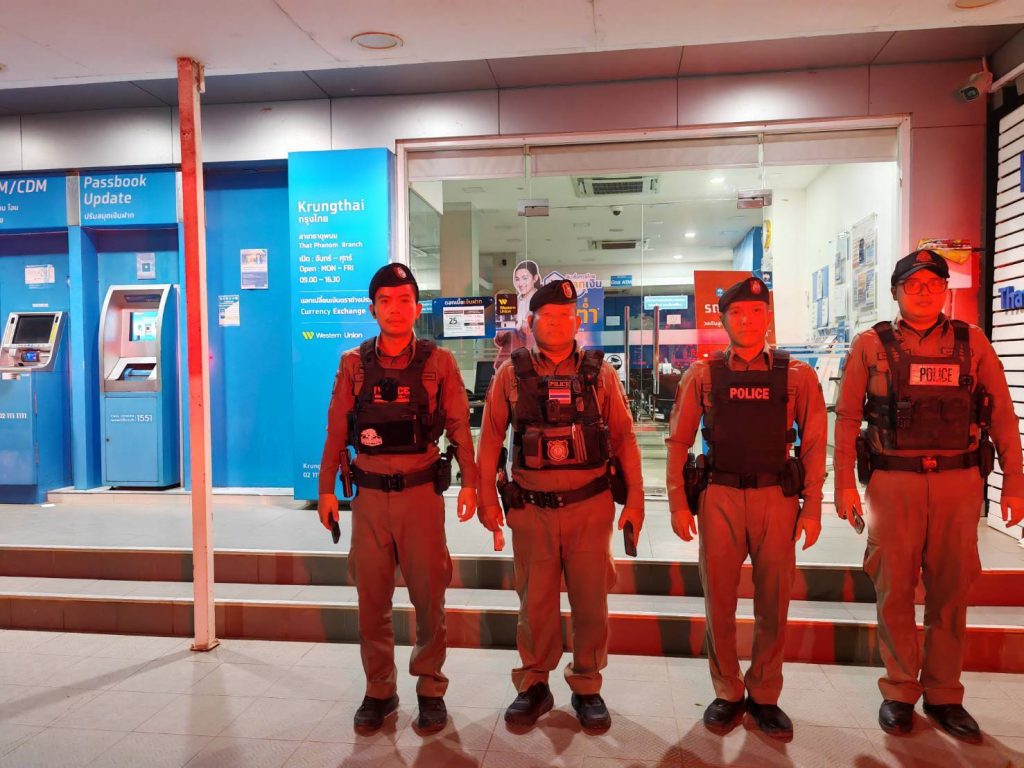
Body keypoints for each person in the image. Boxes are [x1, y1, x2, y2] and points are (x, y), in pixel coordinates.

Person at [834, 249, 1024, 742]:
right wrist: (842, 484)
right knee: (894, 588)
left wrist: (1015, 481)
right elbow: (848, 418)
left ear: (945, 290)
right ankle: (899, 691)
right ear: (896, 291)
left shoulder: (972, 342)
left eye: (933, 284)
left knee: (951, 590)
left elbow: (1002, 414)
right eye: (913, 284)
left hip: (959, 484)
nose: (923, 292)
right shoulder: (870, 345)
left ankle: (943, 694)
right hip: (892, 483)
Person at [476, 278, 644, 732]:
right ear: (532, 322)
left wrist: (636, 501)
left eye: (565, 316)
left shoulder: (600, 373)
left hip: (590, 508)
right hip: (531, 509)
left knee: (591, 602)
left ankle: (587, 684)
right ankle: (534, 684)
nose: (557, 323)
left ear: (576, 322)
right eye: (547, 316)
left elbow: (624, 438)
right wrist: (486, 498)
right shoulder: (511, 374)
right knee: (535, 603)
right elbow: (490, 439)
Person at [317, 263, 479, 735]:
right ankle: (379, 690)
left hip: (420, 497)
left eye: (404, 300)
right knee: (372, 599)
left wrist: (470, 483)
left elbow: (458, 427)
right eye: (385, 301)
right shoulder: (353, 363)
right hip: (369, 499)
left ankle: (430, 689)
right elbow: (335, 429)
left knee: (429, 598)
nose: (395, 309)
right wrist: (326, 489)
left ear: (417, 307)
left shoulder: (439, 363)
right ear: (373, 309)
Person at [665, 275, 827, 741]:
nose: (748, 320)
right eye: (737, 312)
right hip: (718, 496)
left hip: (777, 499)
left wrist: (812, 507)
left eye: (756, 312)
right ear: (724, 320)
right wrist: (678, 504)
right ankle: (727, 691)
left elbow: (814, 444)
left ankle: (765, 694)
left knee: (774, 601)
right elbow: (678, 442)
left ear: (767, 317)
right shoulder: (703, 375)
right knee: (718, 600)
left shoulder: (797, 376)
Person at [493, 260, 542, 369]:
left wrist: (528, 328)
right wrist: (501, 333)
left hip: (533, 364)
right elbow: (500, 341)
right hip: (508, 365)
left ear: (535, 278)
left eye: (525, 278)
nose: (520, 283)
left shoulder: (543, 304)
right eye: (517, 279)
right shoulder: (511, 302)